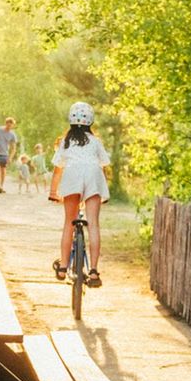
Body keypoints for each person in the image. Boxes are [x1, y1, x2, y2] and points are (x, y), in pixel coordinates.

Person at [50, 101, 110, 288]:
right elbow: (103, 164)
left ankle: (63, 267)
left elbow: (58, 169)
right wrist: (102, 190)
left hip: (72, 175)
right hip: (93, 176)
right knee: (93, 224)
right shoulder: (95, 141)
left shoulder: (66, 141)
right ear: (90, 121)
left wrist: (53, 192)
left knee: (69, 222)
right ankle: (93, 271)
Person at [0, 117, 18, 193]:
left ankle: (1, 186)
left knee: (3, 171)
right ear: (6, 123)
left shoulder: (12, 135)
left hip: (5, 154)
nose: (9, 127)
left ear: (13, 125)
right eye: (8, 125)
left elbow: (14, 148)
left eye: (11, 125)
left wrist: (10, 157)